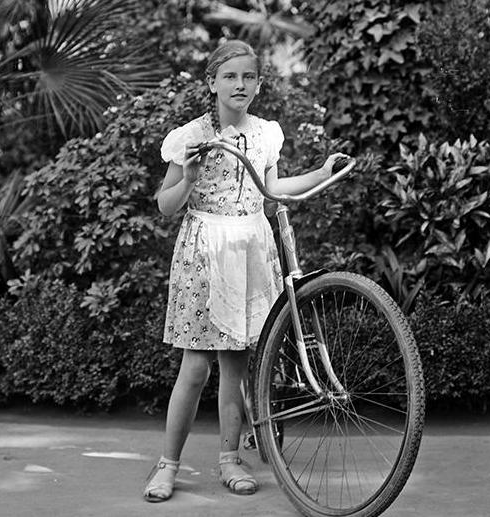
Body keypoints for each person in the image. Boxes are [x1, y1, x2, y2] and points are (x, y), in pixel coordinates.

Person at [143, 39, 348, 503]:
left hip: (252, 249)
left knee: (235, 367)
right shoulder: (191, 135)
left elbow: (272, 188)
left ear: (258, 83)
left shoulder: (265, 133)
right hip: (205, 252)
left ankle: (230, 458)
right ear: (212, 82)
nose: (240, 84)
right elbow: (164, 205)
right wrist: (190, 178)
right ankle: (168, 464)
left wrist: (318, 174)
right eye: (230, 76)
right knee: (195, 367)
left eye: (248, 77)